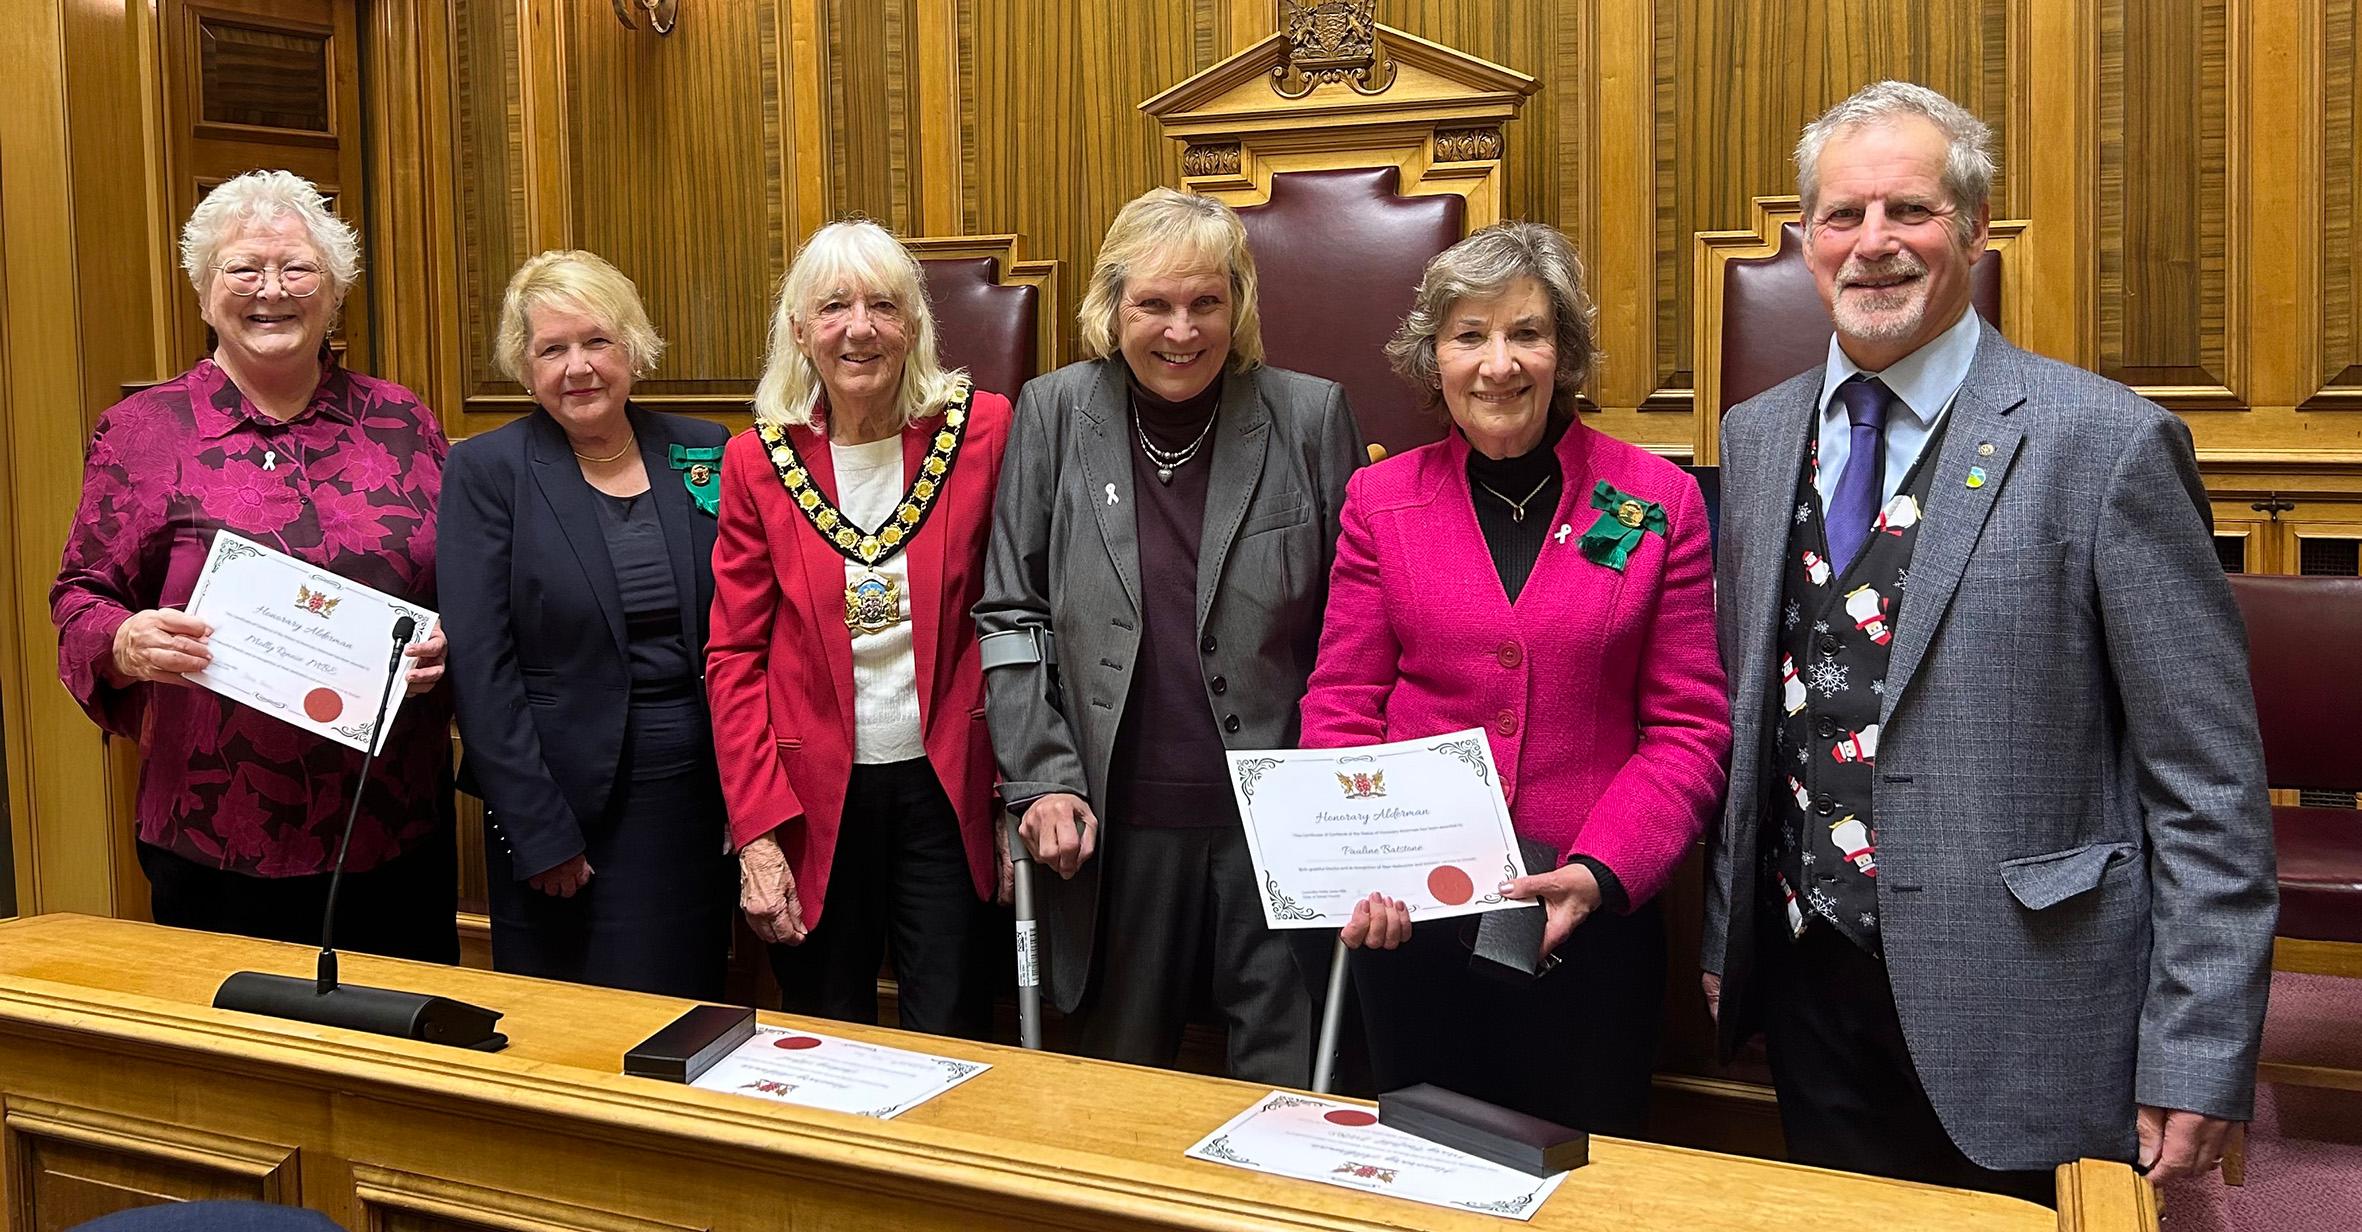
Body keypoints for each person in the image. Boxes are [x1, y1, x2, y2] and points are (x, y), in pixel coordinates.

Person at [1700, 80, 2276, 1199]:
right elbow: (1760, 717)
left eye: (1908, 211)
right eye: (1841, 215)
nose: (1873, 244)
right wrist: (1734, 939)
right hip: (1811, 976)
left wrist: (2198, 1047)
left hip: (2028, 998)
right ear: (1804, 240)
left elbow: (2206, 782)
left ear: (1970, 230)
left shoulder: (2103, 444)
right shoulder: (1755, 434)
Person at [1297, 222, 1729, 1132]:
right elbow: (1343, 702)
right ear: (1434, 358)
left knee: (1577, 1183)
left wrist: (1600, 871)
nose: (1499, 363)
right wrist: (1360, 863)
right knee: (1414, 1174)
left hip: (1588, 924)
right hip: (1409, 921)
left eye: (1527, 332)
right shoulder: (1384, 502)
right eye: (1469, 335)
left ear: (1564, 351)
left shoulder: (1652, 502)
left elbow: (1689, 727)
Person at [976, 187, 1363, 1083]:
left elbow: (1355, 627)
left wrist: (1339, 800)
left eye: (1206, 303)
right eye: (1154, 303)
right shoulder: (1052, 412)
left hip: (1277, 823)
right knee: (1117, 1084)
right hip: (1115, 821)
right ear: (1113, 308)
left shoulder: (1310, 417)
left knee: (1289, 1088)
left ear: (1240, 307)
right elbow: (1010, 612)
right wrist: (1040, 778)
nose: (1180, 330)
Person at [51, 169, 455, 960]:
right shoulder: (143, 431)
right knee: (239, 1068)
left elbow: (463, 589)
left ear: (334, 293)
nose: (272, 289)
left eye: (298, 268)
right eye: (243, 268)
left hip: (390, 823)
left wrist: (446, 647)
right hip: (210, 831)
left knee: (400, 1063)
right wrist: (126, 640)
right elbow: (81, 594)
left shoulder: (403, 420)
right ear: (205, 292)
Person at [709, 220, 1013, 1037]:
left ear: (913, 325)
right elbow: (734, 655)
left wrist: (1015, 794)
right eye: (834, 306)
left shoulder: (982, 431)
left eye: (884, 305)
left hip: (948, 787)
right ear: (801, 330)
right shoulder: (756, 460)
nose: (860, 327)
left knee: (952, 1025)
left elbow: (1019, 614)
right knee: (822, 1025)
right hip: (812, 797)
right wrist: (756, 836)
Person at [441, 250, 733, 999]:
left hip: (697, 810)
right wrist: (538, 832)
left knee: (690, 1014)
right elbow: (482, 667)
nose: (579, 367)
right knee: (576, 1031)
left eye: (597, 341)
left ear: (632, 347)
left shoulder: (703, 452)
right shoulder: (489, 471)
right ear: (525, 366)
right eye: (553, 348)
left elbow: (745, 628)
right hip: (562, 817)